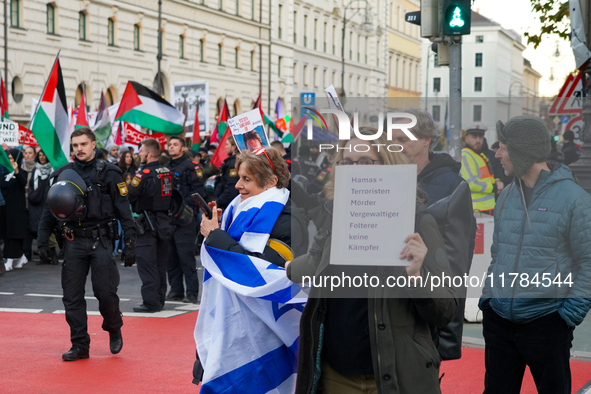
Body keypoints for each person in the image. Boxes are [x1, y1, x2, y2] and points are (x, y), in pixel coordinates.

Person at [287, 127, 457, 394]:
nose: (357, 169)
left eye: (366, 161)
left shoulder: (417, 222)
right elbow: (315, 264)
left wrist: (417, 277)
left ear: (387, 163)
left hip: (394, 375)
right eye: (348, 162)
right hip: (336, 375)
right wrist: (282, 268)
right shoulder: (335, 219)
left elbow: (446, 311)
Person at [479, 116, 591, 394]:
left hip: (547, 322)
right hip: (500, 322)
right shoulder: (506, 196)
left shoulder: (574, 199)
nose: (497, 154)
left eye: (502, 147)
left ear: (521, 151)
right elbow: (498, 254)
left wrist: (565, 317)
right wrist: (488, 301)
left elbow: (589, 263)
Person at [194, 148, 308, 390]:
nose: (237, 186)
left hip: (265, 332)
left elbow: (262, 274)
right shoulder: (240, 210)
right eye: (238, 177)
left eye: (246, 179)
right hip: (235, 326)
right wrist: (216, 230)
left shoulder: (288, 219)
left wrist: (216, 236)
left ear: (271, 182)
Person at [36, 127, 137, 361]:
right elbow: (49, 211)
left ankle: (113, 327)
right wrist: (42, 242)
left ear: (93, 145)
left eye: (83, 144)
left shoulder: (110, 174)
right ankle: (80, 344)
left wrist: (130, 242)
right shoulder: (63, 174)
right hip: (73, 241)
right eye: (75, 145)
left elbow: (125, 211)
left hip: (101, 241)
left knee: (106, 293)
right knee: (71, 297)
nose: (79, 149)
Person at [390, 107, 475, 360]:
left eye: (402, 139)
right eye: (392, 140)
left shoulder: (453, 187)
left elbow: (458, 259)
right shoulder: (383, 177)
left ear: (426, 139)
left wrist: (448, 327)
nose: (395, 146)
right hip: (388, 298)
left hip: (427, 302)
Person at [128, 139, 174, 313]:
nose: (138, 154)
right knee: (160, 264)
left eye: (140, 152)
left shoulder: (143, 174)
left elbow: (130, 195)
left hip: (147, 223)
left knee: (147, 264)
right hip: (164, 222)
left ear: (148, 154)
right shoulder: (166, 171)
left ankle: (150, 302)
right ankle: (159, 299)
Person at [165, 136, 205, 304]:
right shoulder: (165, 167)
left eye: (175, 145)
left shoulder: (191, 167)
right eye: (170, 144)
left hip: (184, 217)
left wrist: (184, 207)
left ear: (182, 149)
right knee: (170, 256)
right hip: (167, 217)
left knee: (185, 256)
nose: (171, 147)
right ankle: (176, 290)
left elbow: (198, 190)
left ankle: (192, 292)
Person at [461, 125, 499, 214]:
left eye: (480, 137)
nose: (478, 140)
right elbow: (471, 183)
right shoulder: (466, 155)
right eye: (474, 137)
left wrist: (496, 181)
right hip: (476, 209)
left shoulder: (478, 155)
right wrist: (494, 187)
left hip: (485, 208)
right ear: (467, 139)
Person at [1, 149, 29, 271]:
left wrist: (16, 171)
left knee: (13, 235)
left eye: (12, 158)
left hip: (16, 210)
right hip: (5, 209)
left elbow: (23, 182)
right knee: (7, 234)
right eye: (8, 158)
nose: (9, 160)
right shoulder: (3, 173)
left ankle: (9, 259)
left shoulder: (22, 172)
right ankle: (21, 256)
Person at [27, 150, 55, 264]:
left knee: (50, 229)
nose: (42, 157)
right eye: (40, 155)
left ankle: (53, 255)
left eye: (44, 155)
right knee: (40, 229)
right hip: (37, 205)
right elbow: (32, 188)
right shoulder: (35, 170)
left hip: (49, 202)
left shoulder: (53, 170)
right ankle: (44, 255)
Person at [214, 136, 240, 210]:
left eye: (227, 144)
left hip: (228, 205)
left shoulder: (233, 163)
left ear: (234, 146)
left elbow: (232, 187)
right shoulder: (231, 161)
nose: (225, 147)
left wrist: (218, 202)